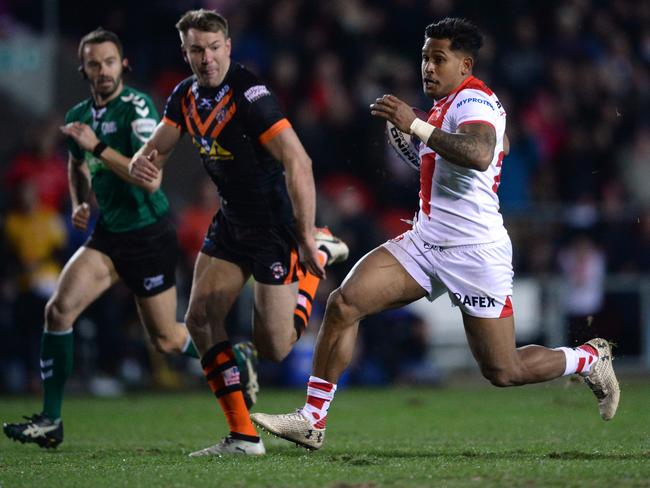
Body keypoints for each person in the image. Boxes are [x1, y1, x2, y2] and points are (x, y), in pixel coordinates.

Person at [251, 17, 620, 451]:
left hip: (475, 253)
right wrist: (420, 142)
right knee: (344, 303)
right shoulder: (447, 107)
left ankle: (589, 359)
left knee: (503, 371)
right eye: (425, 56)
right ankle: (312, 420)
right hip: (426, 242)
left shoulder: (474, 102)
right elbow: (459, 170)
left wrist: (415, 126)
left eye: (438, 58)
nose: (427, 66)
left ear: (465, 65)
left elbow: (481, 154)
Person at [127, 9, 348, 457]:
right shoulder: (184, 97)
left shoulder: (251, 95)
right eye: (196, 50)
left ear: (228, 47)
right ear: (185, 52)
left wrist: (303, 235)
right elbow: (158, 150)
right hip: (231, 221)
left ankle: (317, 255)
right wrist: (140, 160)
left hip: (272, 226)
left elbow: (298, 162)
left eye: (213, 48)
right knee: (200, 319)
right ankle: (244, 436)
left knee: (276, 347)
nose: (206, 58)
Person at [3, 28, 201, 449]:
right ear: (84, 70)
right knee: (58, 311)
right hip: (109, 235)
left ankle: (233, 359)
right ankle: (51, 420)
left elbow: (150, 181)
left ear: (123, 64)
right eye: (94, 64)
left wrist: (97, 148)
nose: (103, 70)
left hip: (149, 234)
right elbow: (76, 165)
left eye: (110, 62)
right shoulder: (78, 114)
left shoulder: (140, 108)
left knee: (166, 338)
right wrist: (80, 202)